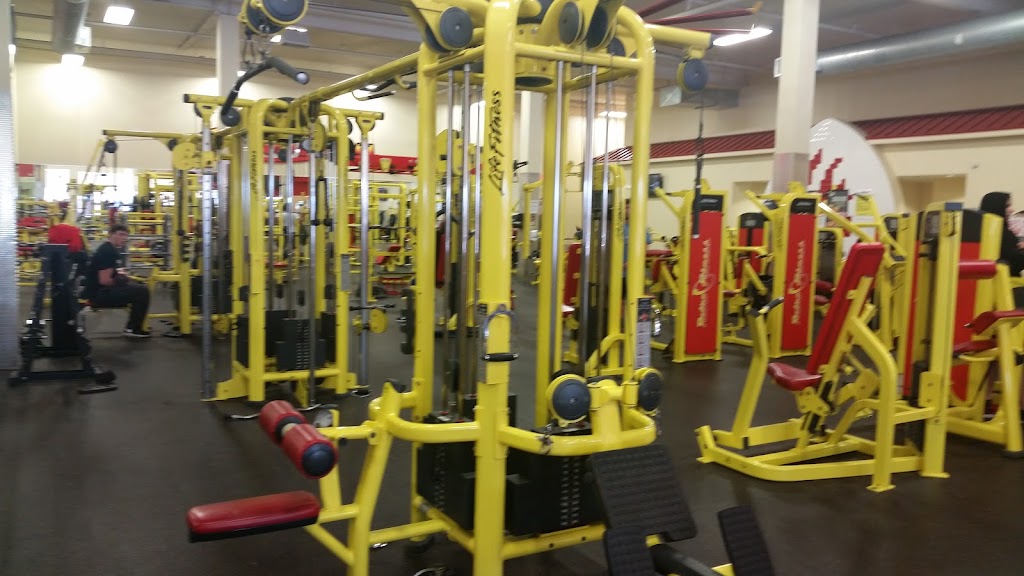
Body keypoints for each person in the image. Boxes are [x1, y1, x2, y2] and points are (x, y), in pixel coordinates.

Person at [85, 224, 151, 338]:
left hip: (99, 291)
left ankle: (133, 326)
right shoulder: (108, 251)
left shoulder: (109, 249)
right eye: (121, 234)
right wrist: (120, 280)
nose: (124, 238)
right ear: (111, 235)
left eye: (126, 235)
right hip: (99, 295)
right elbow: (104, 281)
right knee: (142, 291)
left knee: (137, 287)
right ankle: (133, 329)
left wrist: (122, 277)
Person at [979, 192, 1024, 278]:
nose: (1012, 210)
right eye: (1007, 206)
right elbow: (1013, 264)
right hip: (1005, 282)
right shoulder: (1001, 233)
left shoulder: (977, 229)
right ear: (996, 207)